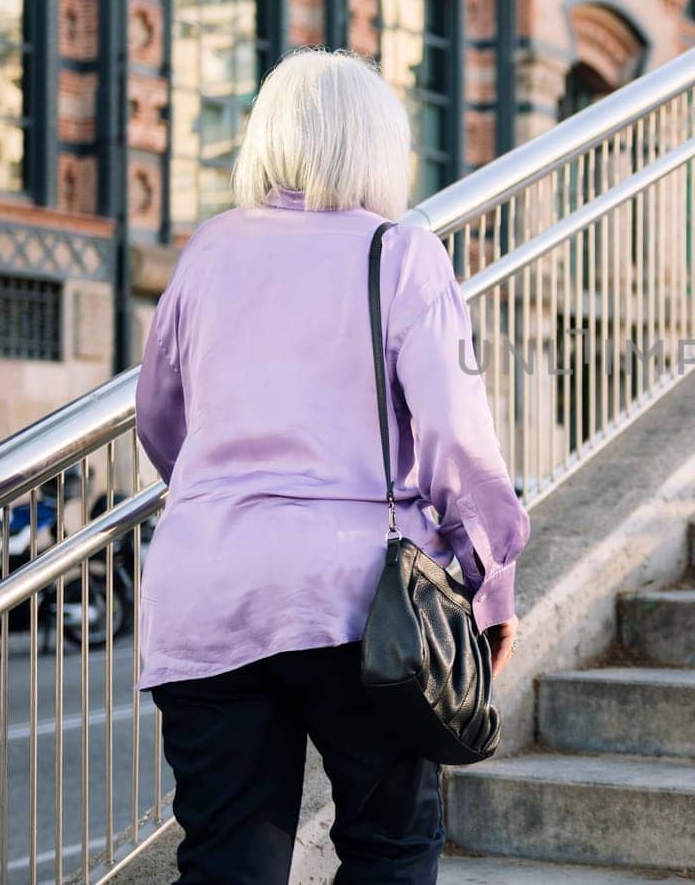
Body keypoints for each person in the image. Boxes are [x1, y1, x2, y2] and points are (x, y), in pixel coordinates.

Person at [134, 49, 531, 884]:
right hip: (360, 607)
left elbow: (161, 421)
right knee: (389, 847)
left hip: (207, 591)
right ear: (379, 145)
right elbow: (457, 440)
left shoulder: (207, 253)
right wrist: (489, 580)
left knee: (225, 860)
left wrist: (228, 504)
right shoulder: (402, 254)